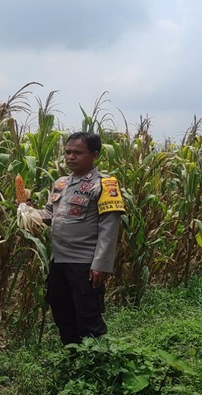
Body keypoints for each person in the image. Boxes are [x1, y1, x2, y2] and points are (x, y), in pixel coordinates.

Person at [31, 132, 125, 345]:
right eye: (67, 152)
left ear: (94, 155)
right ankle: (72, 355)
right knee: (62, 312)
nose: (70, 157)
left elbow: (109, 228)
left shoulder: (105, 185)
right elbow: (50, 214)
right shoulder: (61, 183)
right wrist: (29, 213)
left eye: (77, 152)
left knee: (88, 316)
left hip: (84, 263)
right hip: (58, 260)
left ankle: (96, 359)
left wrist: (100, 264)